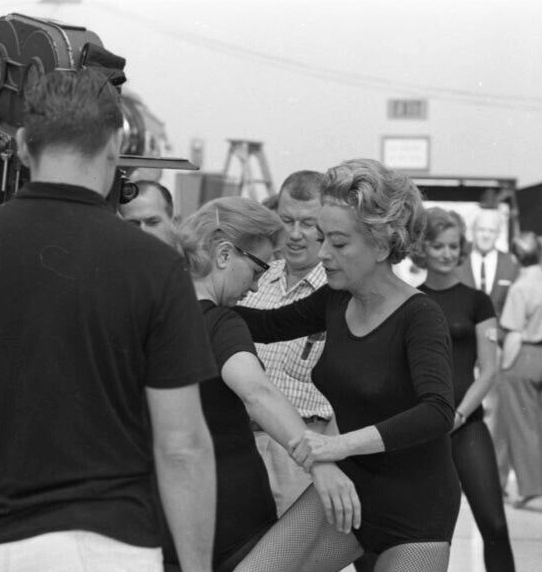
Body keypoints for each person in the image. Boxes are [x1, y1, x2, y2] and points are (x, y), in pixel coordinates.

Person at [0, 69, 218, 572]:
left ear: (22, 145)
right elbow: (183, 446)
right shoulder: (154, 267)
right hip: (105, 547)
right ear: (115, 147)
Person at [234, 158, 459, 572]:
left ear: (380, 244)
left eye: (338, 243)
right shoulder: (336, 299)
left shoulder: (420, 316)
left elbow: (437, 412)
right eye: (323, 239)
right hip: (349, 491)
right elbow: (264, 325)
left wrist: (339, 445)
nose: (323, 255)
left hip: (416, 511)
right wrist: (198, 296)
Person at [164, 196, 359, 572]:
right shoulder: (221, 322)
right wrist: (318, 463)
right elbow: (257, 392)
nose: (255, 288)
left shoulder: (149, 312)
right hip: (230, 523)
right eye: (256, 271)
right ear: (223, 253)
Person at [414, 207, 515, 571]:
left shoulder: (476, 301)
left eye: (453, 246)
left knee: (495, 523)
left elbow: (488, 370)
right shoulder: (410, 299)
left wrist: (458, 415)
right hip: (422, 430)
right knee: (426, 533)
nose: (446, 253)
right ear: (422, 249)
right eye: (438, 245)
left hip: (465, 423)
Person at [237, 170, 335, 516]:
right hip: (242, 447)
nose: (295, 235)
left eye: (308, 224)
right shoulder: (251, 280)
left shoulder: (339, 293)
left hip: (304, 455)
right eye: (286, 220)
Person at [498, 232, 542, 511]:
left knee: (523, 426)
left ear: (515, 257)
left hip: (525, 354)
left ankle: (532, 493)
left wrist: (504, 368)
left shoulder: (520, 288)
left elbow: (513, 333)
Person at [455, 208, 519, 491]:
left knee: (496, 416)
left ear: (498, 235)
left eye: (491, 232)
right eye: (481, 231)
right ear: (473, 232)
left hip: (499, 349)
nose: (485, 236)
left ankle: (495, 478)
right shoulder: (457, 261)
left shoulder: (510, 265)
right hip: (460, 351)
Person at [119, 179, 178, 248]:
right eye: (133, 225)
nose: (143, 231)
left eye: (152, 222)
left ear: (174, 223)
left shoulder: (190, 257)